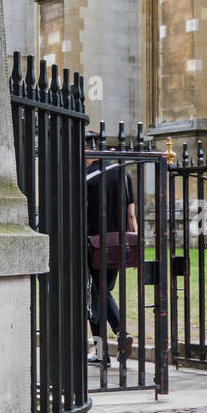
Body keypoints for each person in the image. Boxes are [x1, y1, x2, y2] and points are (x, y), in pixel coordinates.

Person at [84, 134, 136, 367]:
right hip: (119, 244)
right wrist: (133, 241)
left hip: (92, 245)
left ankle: (109, 343)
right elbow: (131, 214)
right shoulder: (123, 175)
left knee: (94, 296)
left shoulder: (87, 177)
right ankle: (102, 350)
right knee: (101, 294)